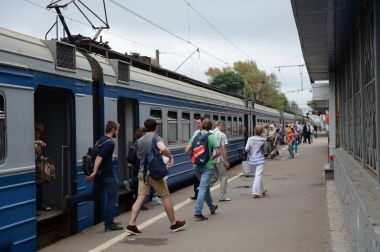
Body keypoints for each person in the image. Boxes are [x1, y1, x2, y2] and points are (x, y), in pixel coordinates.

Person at [126, 118, 186, 234]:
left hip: (142, 173)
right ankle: (174, 224)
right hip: (153, 174)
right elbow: (163, 148)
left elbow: (138, 156)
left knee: (139, 198)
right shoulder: (156, 138)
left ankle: (131, 224)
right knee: (166, 197)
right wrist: (170, 157)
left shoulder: (140, 140)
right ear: (156, 128)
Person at [70, 120, 123, 231]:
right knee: (113, 198)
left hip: (100, 176)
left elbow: (102, 155)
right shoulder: (110, 143)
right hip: (107, 175)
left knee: (94, 195)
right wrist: (94, 171)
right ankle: (109, 223)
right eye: (117, 130)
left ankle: (72, 200)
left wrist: (109, 158)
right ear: (113, 129)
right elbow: (99, 157)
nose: (118, 132)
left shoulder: (100, 140)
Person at [185, 118, 221, 220]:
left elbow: (187, 150)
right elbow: (218, 152)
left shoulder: (195, 136)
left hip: (196, 166)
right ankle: (197, 212)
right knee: (203, 188)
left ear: (201, 126)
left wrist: (194, 157)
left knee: (204, 187)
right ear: (210, 127)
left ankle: (212, 207)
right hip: (207, 167)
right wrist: (211, 158)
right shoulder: (211, 137)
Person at [210, 121, 230, 201]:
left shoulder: (210, 133)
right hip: (219, 159)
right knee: (224, 177)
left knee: (214, 177)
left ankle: (201, 189)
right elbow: (223, 149)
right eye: (223, 126)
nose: (224, 128)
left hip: (211, 158)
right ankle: (223, 196)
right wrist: (225, 161)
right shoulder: (222, 135)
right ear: (220, 125)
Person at [245, 126, 267, 198]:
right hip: (260, 160)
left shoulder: (250, 139)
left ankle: (263, 190)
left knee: (257, 175)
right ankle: (255, 192)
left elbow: (246, 149)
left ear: (254, 131)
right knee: (258, 175)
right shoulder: (263, 140)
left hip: (251, 160)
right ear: (261, 132)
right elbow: (265, 150)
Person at [35, 122, 51, 211]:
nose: (39, 135)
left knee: (40, 185)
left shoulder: (37, 139)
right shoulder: (34, 140)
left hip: (38, 165)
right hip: (34, 166)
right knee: (36, 188)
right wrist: (37, 142)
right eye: (38, 132)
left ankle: (40, 204)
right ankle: (37, 206)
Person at [189, 116, 206, 200]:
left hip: (205, 160)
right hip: (197, 159)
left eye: (198, 123)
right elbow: (191, 146)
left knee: (204, 178)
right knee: (196, 177)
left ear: (203, 123)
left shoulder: (209, 133)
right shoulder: (196, 133)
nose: (197, 124)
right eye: (196, 123)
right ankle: (197, 193)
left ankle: (202, 193)